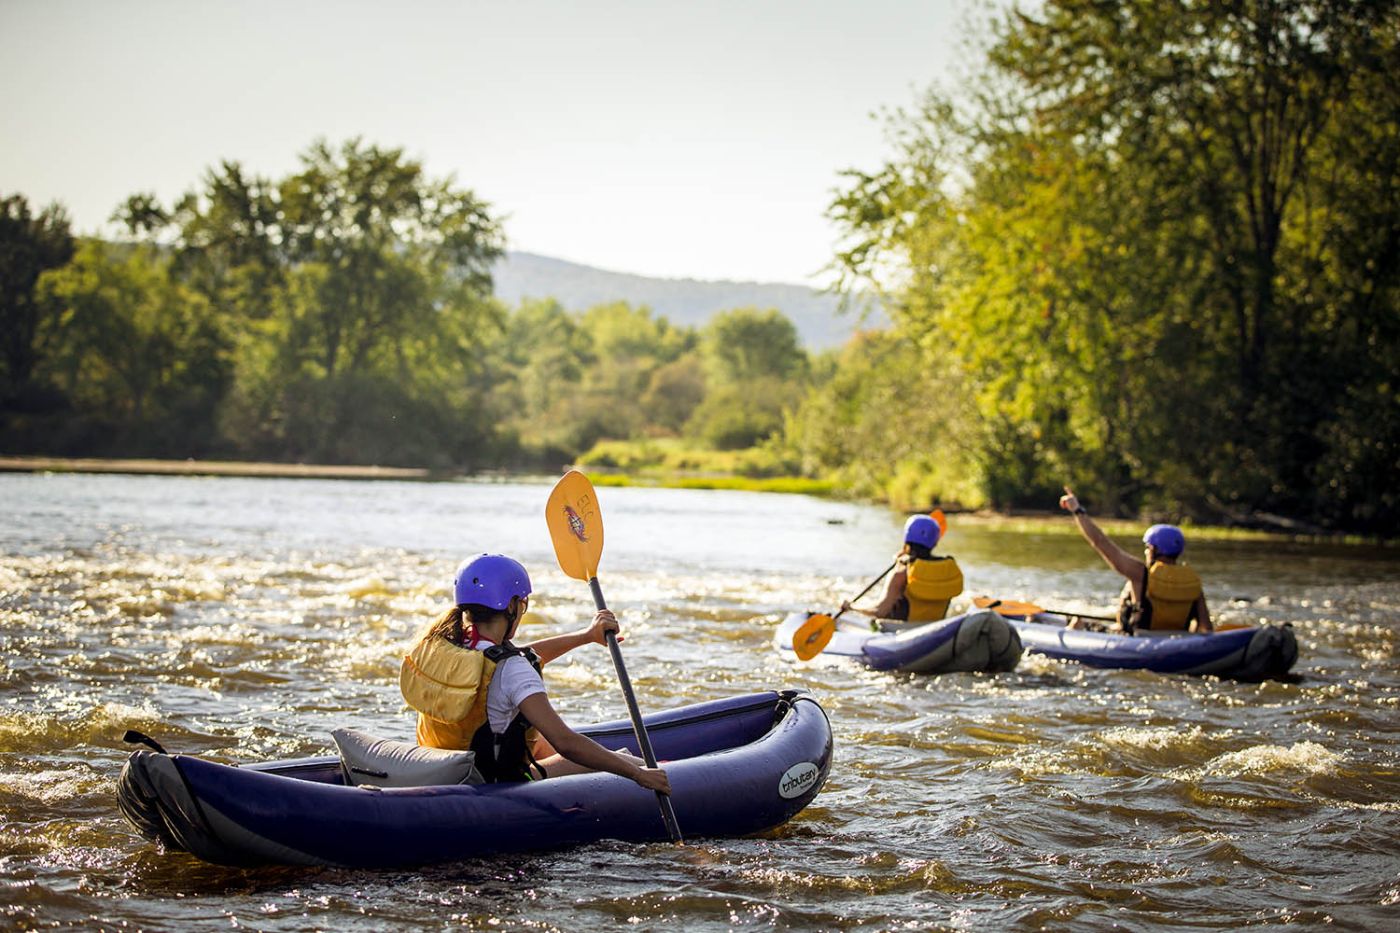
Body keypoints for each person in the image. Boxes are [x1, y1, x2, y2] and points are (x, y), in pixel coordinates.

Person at [400, 552, 671, 793]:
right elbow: (566, 742)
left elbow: (517, 659)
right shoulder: (512, 669)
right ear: (511, 606)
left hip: (445, 771)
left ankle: (647, 765)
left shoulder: (446, 646)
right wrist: (638, 775)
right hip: (493, 785)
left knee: (537, 742)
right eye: (524, 603)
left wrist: (586, 636)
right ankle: (665, 772)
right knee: (596, 755)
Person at [1058, 487, 1212, 634]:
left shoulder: (1141, 574)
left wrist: (1078, 510)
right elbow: (1206, 628)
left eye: (1147, 547)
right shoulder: (1192, 582)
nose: (1146, 551)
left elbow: (1100, 542)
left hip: (1136, 641)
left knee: (1079, 623)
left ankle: (1077, 626)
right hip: (1178, 643)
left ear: (1153, 549)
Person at [842, 514, 964, 623]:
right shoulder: (948, 568)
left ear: (906, 537)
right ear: (935, 542)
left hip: (900, 632)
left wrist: (852, 607)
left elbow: (879, 611)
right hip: (936, 630)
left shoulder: (903, 571)